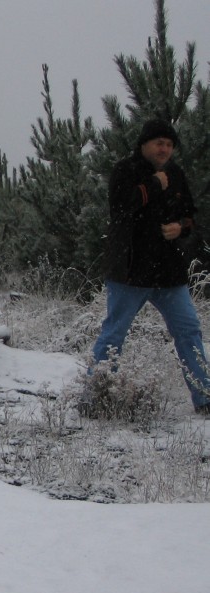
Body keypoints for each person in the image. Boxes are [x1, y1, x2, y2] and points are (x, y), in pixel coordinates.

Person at [87, 117, 210, 414]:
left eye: (169, 145)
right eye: (159, 143)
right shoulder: (125, 171)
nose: (164, 149)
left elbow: (191, 216)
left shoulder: (176, 173)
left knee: (189, 331)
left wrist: (181, 227)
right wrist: (153, 185)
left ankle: (205, 398)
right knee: (115, 334)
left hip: (168, 273)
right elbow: (120, 207)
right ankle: (94, 398)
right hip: (130, 271)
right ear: (144, 144)